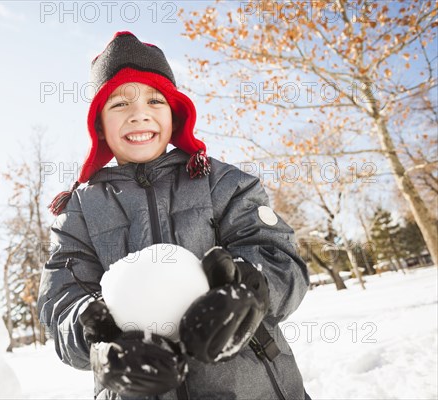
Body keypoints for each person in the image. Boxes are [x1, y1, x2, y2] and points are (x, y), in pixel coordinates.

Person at [37, 31, 310, 400]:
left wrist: (249, 291)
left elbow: (282, 259)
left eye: (155, 99)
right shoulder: (78, 213)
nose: (139, 114)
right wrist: (101, 344)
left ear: (175, 113)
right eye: (119, 104)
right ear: (99, 124)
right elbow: (61, 305)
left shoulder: (223, 182)